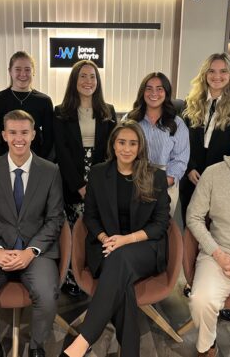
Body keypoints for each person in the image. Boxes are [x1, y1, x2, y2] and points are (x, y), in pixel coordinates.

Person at [60, 119, 170, 357]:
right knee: (124, 286)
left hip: (144, 247)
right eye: (122, 142)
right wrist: (105, 238)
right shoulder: (100, 173)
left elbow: (161, 224)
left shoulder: (155, 176)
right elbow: (90, 216)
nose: (127, 148)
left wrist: (124, 240)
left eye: (133, 143)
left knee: (119, 259)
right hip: (105, 246)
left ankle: (82, 341)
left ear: (140, 146)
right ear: (114, 144)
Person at [0, 109, 64, 357]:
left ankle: (37, 346)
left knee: (47, 295)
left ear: (33, 134)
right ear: (4, 135)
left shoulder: (50, 171)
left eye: (24, 132)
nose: (18, 138)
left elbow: (54, 219)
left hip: (35, 250)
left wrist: (31, 251)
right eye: (12, 132)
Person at [186, 115, 230, 357]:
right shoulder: (214, 174)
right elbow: (193, 217)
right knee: (201, 300)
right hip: (217, 253)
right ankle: (207, 347)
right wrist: (218, 253)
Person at [54, 60, 116, 295]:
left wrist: (97, 185)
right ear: (74, 81)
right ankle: (71, 278)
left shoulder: (108, 111)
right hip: (73, 182)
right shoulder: (61, 112)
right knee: (73, 233)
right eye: (83, 76)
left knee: (96, 230)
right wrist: (80, 185)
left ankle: (94, 274)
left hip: (101, 182)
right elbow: (62, 153)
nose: (88, 81)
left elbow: (112, 152)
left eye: (92, 77)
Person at [180, 52, 230, 227]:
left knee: (219, 227)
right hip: (193, 175)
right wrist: (189, 168)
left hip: (225, 176)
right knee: (191, 223)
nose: (217, 76)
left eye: (223, 71)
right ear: (204, 74)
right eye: (211, 71)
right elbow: (181, 141)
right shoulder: (191, 103)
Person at [125, 72, 189, 216]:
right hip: (133, 182)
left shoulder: (177, 123)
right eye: (149, 88)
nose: (154, 93)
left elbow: (180, 159)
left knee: (159, 229)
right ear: (143, 92)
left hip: (166, 184)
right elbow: (121, 152)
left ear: (166, 92)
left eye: (160, 88)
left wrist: (163, 183)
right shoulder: (130, 120)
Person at [0, 51, 54, 160]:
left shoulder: (44, 101)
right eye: (18, 69)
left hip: (35, 163)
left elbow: (49, 138)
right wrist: (5, 162)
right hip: (4, 163)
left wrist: (37, 161)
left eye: (27, 70)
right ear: (10, 72)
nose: (23, 74)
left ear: (33, 72)